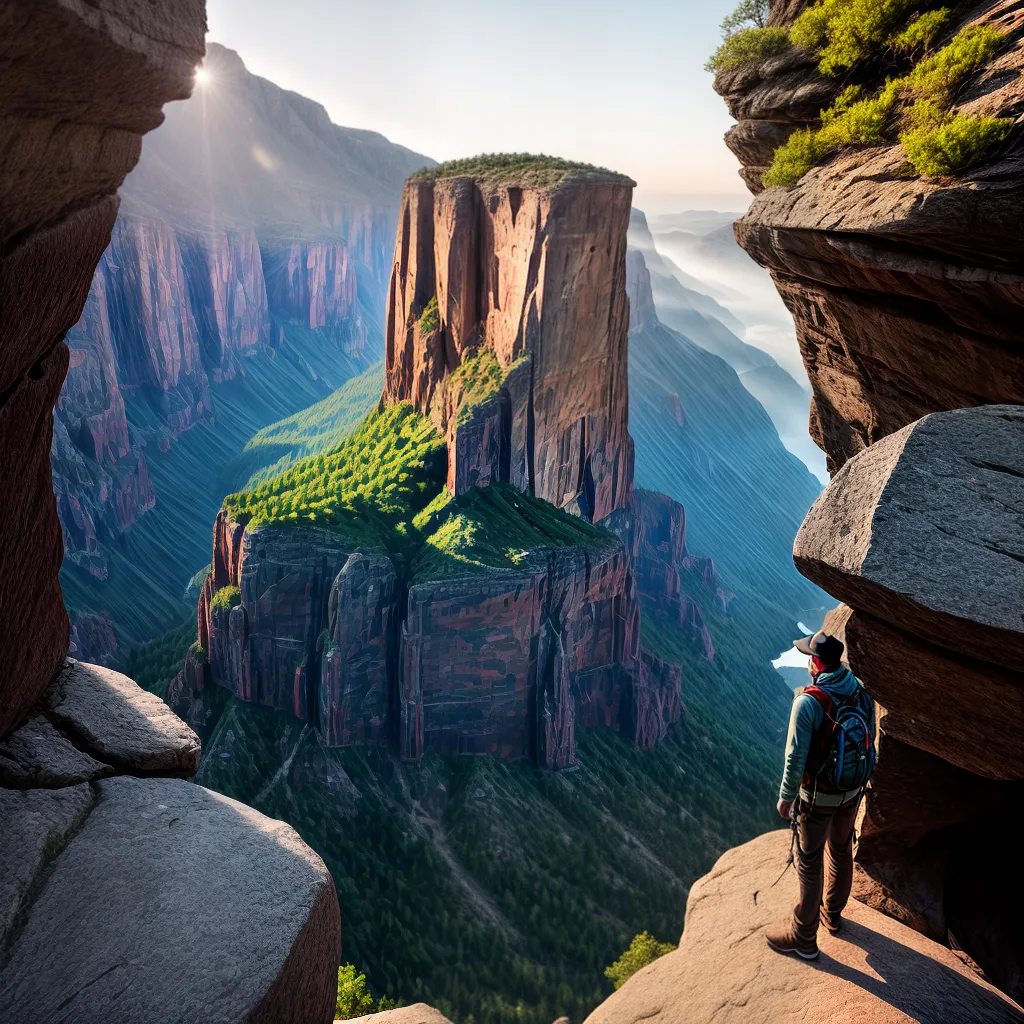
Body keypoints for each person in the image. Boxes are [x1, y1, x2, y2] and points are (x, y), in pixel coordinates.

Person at [765, 630, 876, 960]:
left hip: (818, 797)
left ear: (815, 662)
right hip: (853, 792)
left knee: (810, 863)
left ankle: (804, 939)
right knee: (841, 851)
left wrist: (786, 797)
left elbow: (795, 757)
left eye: (808, 657)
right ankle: (833, 914)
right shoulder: (859, 692)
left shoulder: (809, 701)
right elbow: (869, 737)